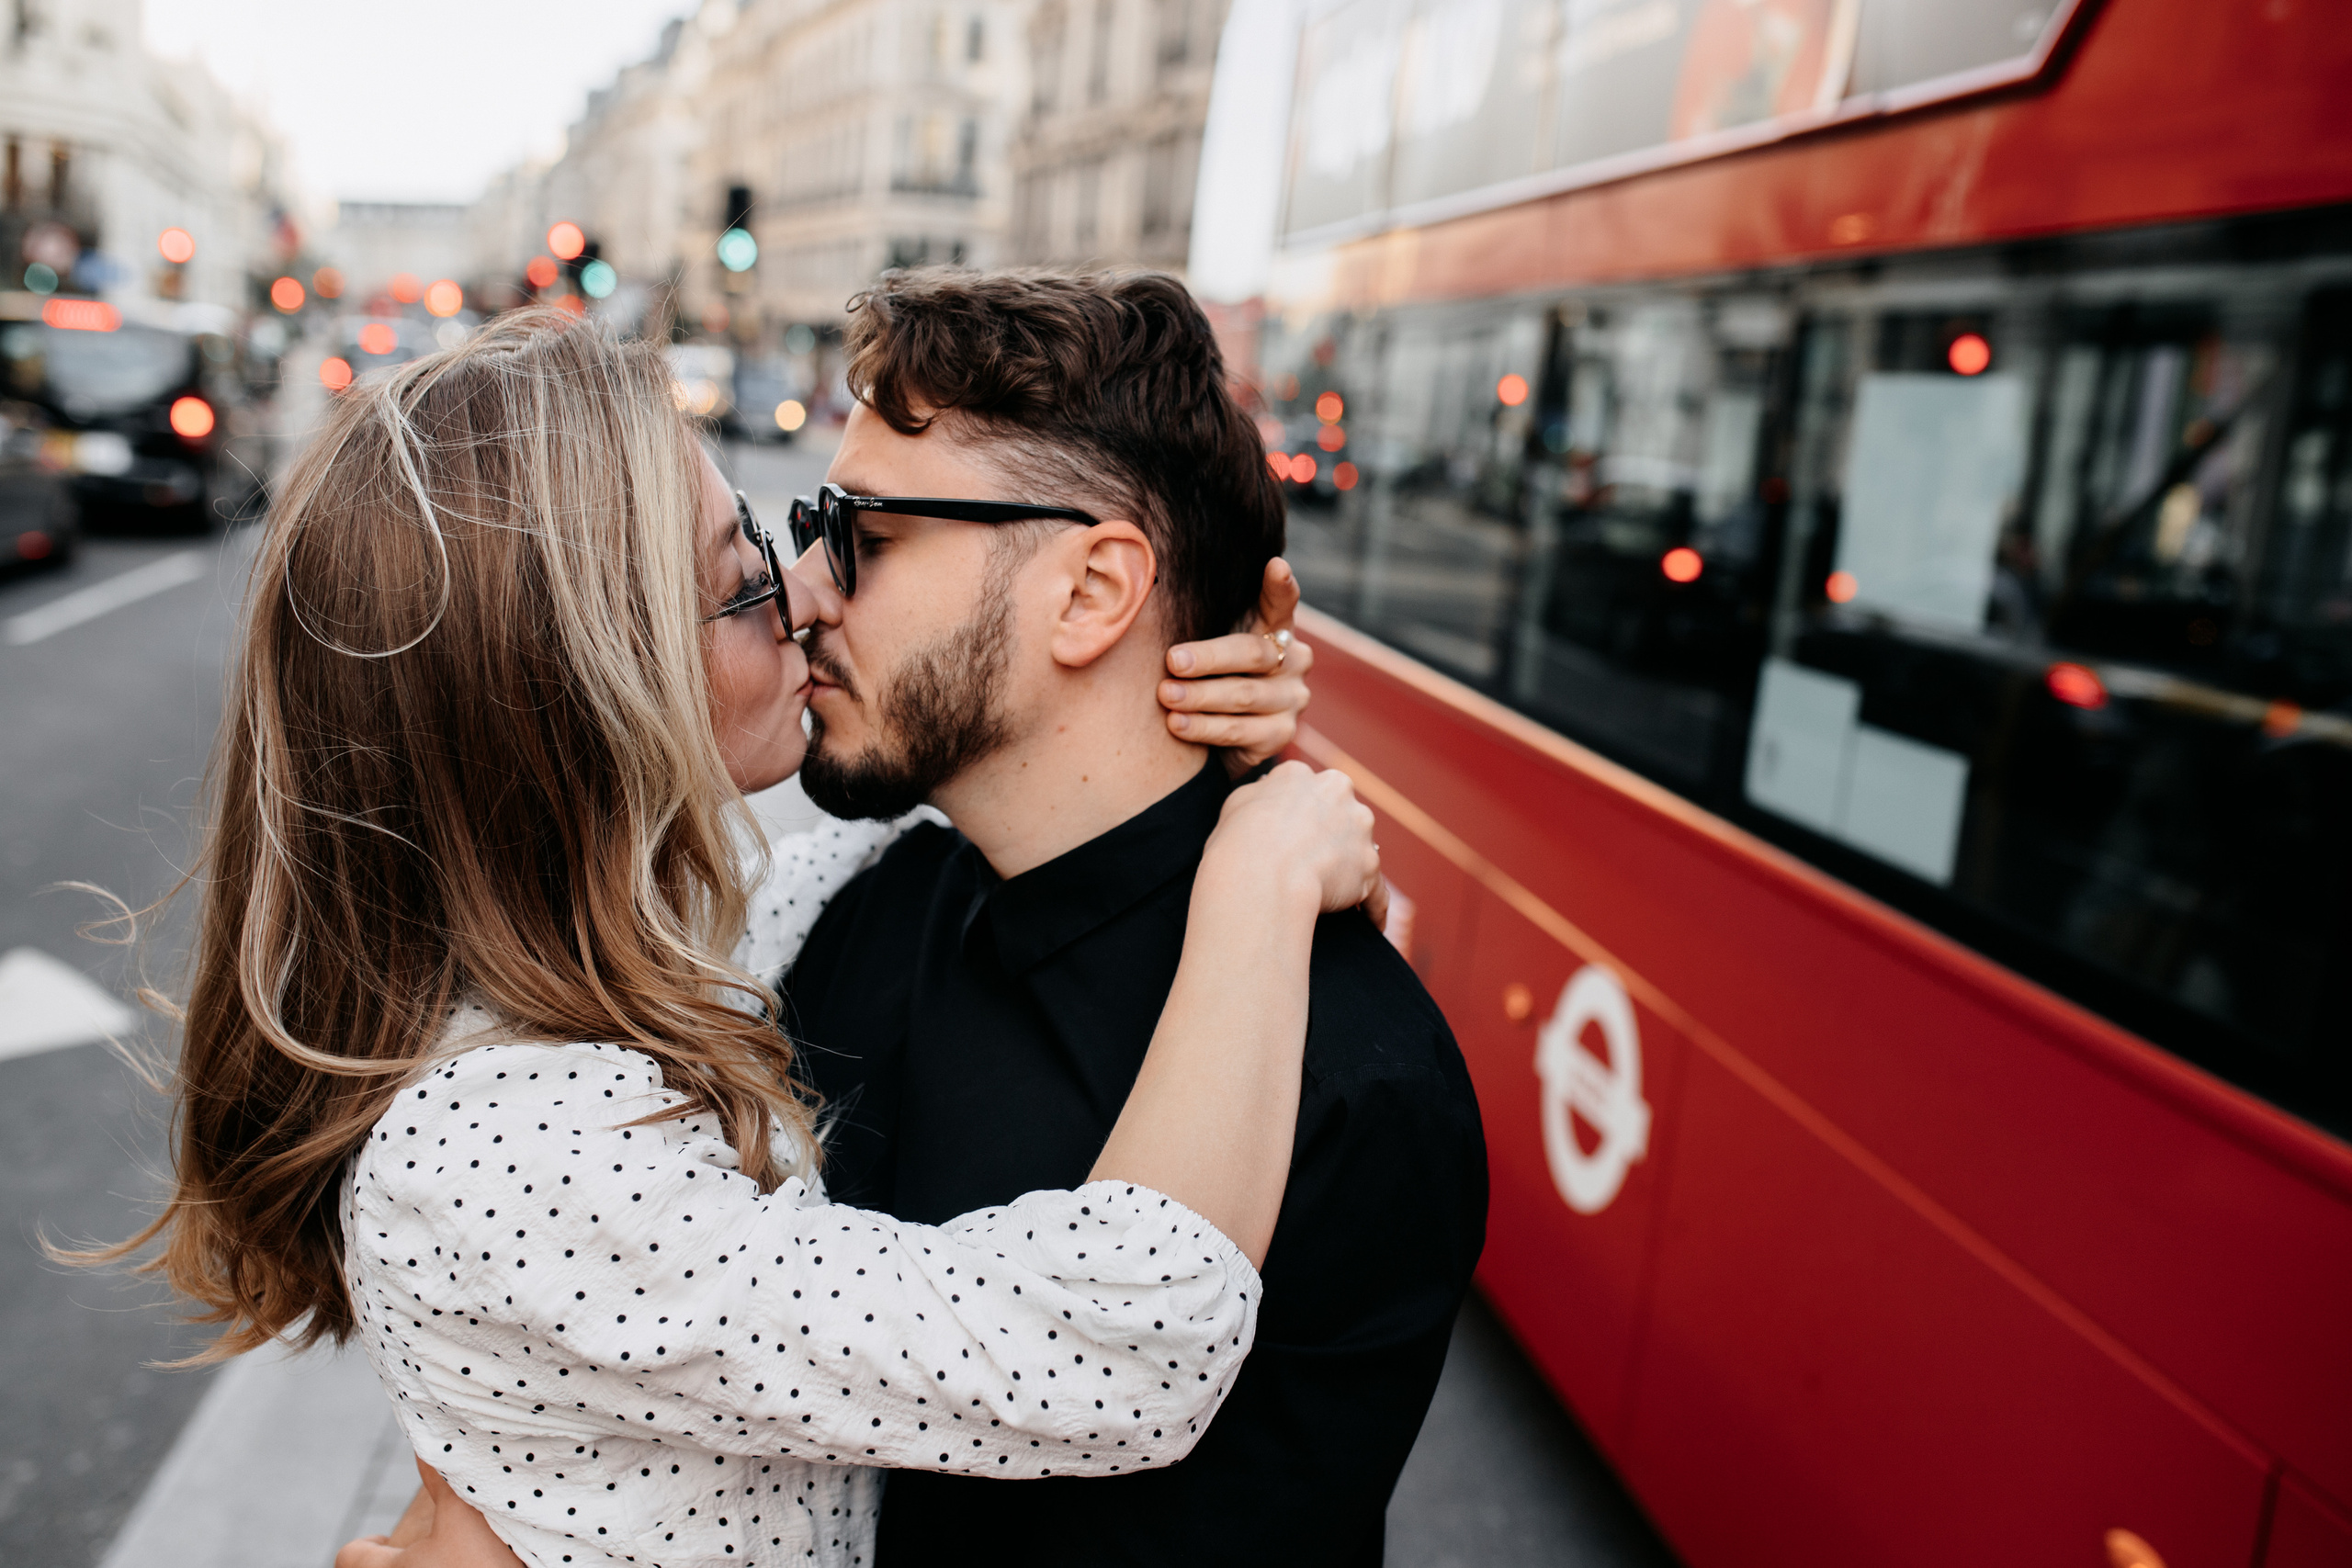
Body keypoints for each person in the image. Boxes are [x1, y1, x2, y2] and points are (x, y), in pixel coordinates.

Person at [91, 307, 1386, 1568]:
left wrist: (1171, 719)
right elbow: (1118, 1349)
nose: (810, 594)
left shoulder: (658, 941)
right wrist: (1255, 884)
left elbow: (960, 827)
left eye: (844, 540)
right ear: (586, 687)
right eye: (743, 579)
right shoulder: (504, 1143)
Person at [775, 268, 1488, 1565]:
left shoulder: (1353, 1082)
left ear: (1095, 592)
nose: (809, 593)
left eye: (865, 538)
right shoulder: (861, 908)